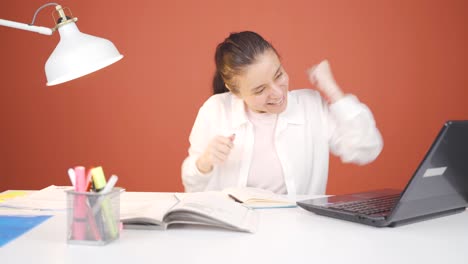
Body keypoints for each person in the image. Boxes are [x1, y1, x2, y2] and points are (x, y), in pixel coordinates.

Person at [181, 31, 383, 195]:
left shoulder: (310, 107)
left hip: (299, 233)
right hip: (234, 234)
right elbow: (193, 188)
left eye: (278, 75)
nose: (277, 93)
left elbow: (366, 148)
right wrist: (204, 162)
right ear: (235, 91)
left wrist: (334, 91)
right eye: (260, 90)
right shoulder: (215, 110)